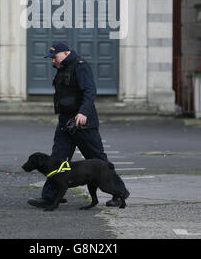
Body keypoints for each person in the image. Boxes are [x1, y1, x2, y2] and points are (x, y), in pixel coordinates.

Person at [28, 42, 130, 208]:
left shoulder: (80, 66)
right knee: (57, 160)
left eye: (55, 57)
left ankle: (120, 193)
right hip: (65, 122)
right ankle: (50, 196)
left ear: (66, 53)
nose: (53, 60)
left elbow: (90, 92)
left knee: (98, 160)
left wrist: (82, 112)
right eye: (51, 58)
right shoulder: (61, 69)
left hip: (83, 123)